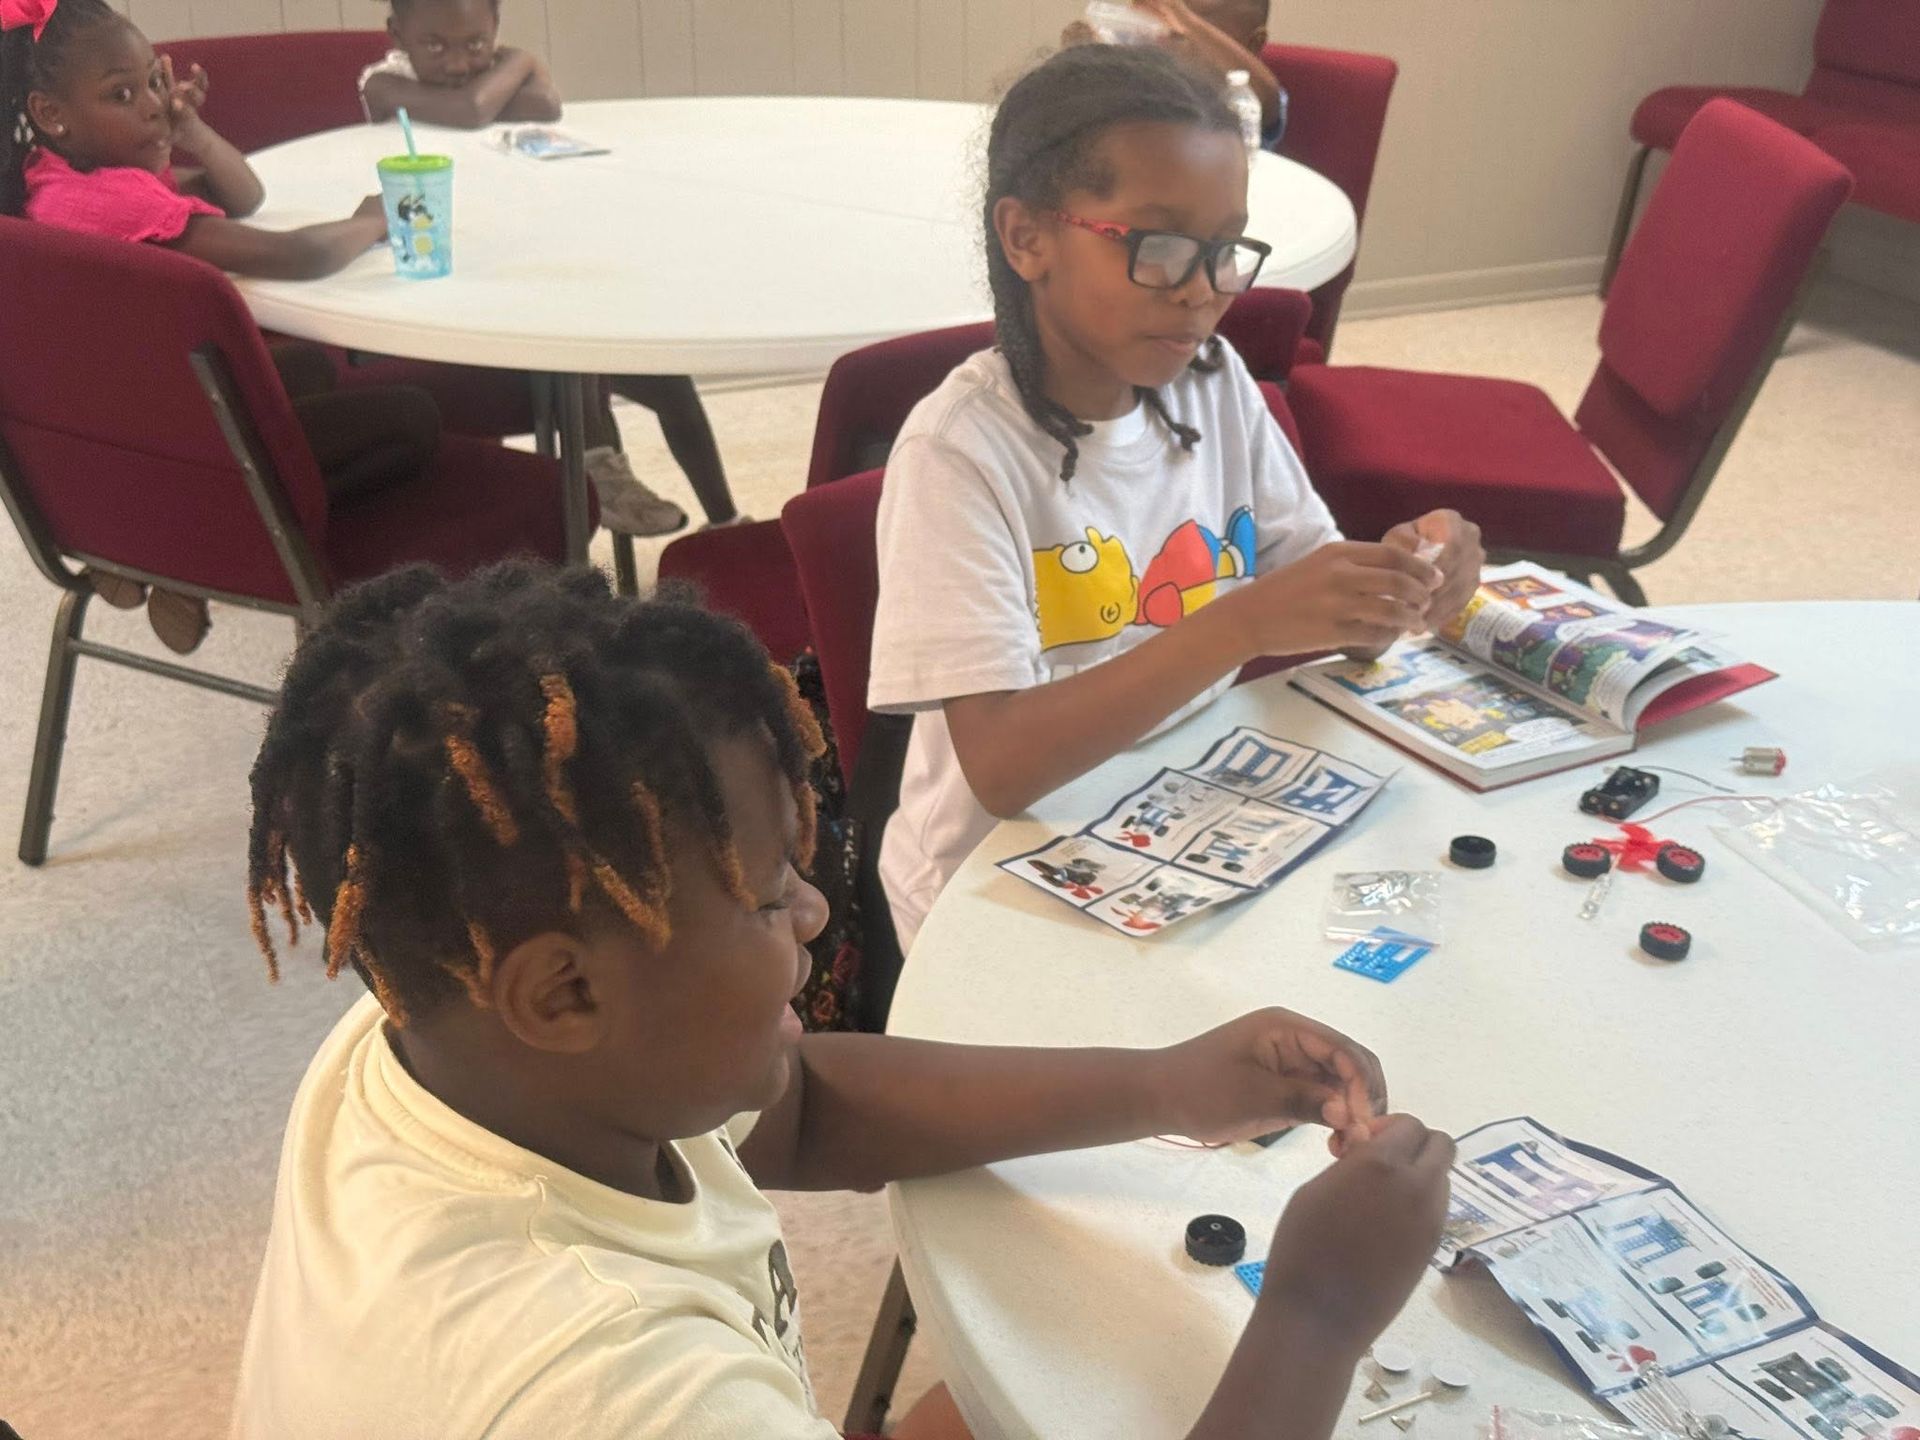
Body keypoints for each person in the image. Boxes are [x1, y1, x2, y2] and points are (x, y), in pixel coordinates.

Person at [232, 560, 1455, 1440]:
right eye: (769, 899)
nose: (817, 914)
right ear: (560, 992)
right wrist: (1317, 1313)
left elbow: (806, 1110)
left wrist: (1168, 1082)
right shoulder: (627, 1391)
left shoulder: (433, 1034)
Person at [867, 44, 1483, 950]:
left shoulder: (1211, 382)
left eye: (1226, 250)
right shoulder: (960, 453)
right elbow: (1001, 769)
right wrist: (1240, 627)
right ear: (1027, 236)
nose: (1202, 294)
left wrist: (1403, 577)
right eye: (1157, 248)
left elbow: (1331, 615)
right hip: (994, 889)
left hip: (1181, 823)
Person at [0, 0, 440, 653]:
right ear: (51, 113)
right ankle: (188, 547)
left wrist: (193, 130)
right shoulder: (120, 204)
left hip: (123, 435)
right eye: (123, 94)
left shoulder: (56, 183)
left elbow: (246, 195)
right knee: (415, 417)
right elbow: (301, 255)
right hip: (183, 441)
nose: (153, 104)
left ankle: (152, 539)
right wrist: (376, 219)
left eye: (155, 80)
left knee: (312, 370)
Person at [359, 0, 740, 538]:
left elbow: (544, 106)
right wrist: (518, 62)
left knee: (666, 380)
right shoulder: (382, 84)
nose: (458, 63)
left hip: (515, 252)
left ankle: (725, 522)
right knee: (569, 340)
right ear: (397, 34)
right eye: (435, 46)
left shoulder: (477, 72)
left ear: (495, 30)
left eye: (477, 44)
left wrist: (508, 75)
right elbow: (470, 110)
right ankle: (598, 467)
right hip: (449, 282)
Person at [1069, 0, 1288, 147]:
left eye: (1203, 29)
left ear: (1253, 43)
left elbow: (1268, 101)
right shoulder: (1144, 75)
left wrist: (1183, 17)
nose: (1170, 36)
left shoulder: (1244, 98)